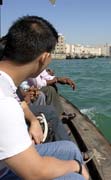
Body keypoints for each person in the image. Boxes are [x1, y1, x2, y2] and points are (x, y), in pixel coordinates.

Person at [0, 15, 89, 180]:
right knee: (74, 176)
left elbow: (22, 105)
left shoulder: (5, 82)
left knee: (70, 149)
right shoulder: (4, 103)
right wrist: (75, 166)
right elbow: (36, 173)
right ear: (44, 58)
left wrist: (34, 121)